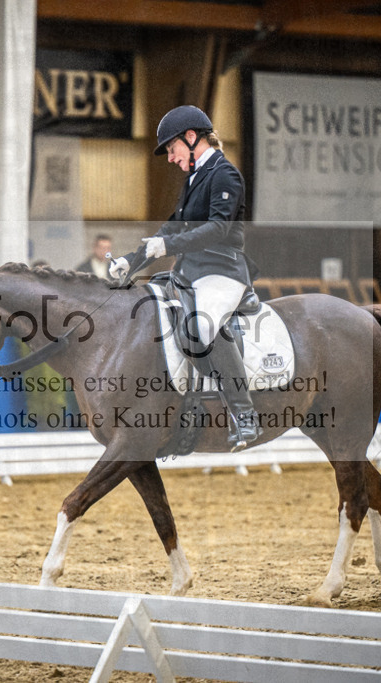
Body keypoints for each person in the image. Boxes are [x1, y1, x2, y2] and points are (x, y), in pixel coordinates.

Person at [109, 105, 259, 451]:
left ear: (191, 138)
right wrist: (131, 261)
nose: (170, 158)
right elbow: (172, 227)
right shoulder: (194, 177)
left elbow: (219, 228)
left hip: (223, 271)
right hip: (190, 271)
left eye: (172, 149)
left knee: (203, 325)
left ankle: (244, 413)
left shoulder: (225, 174)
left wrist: (169, 244)